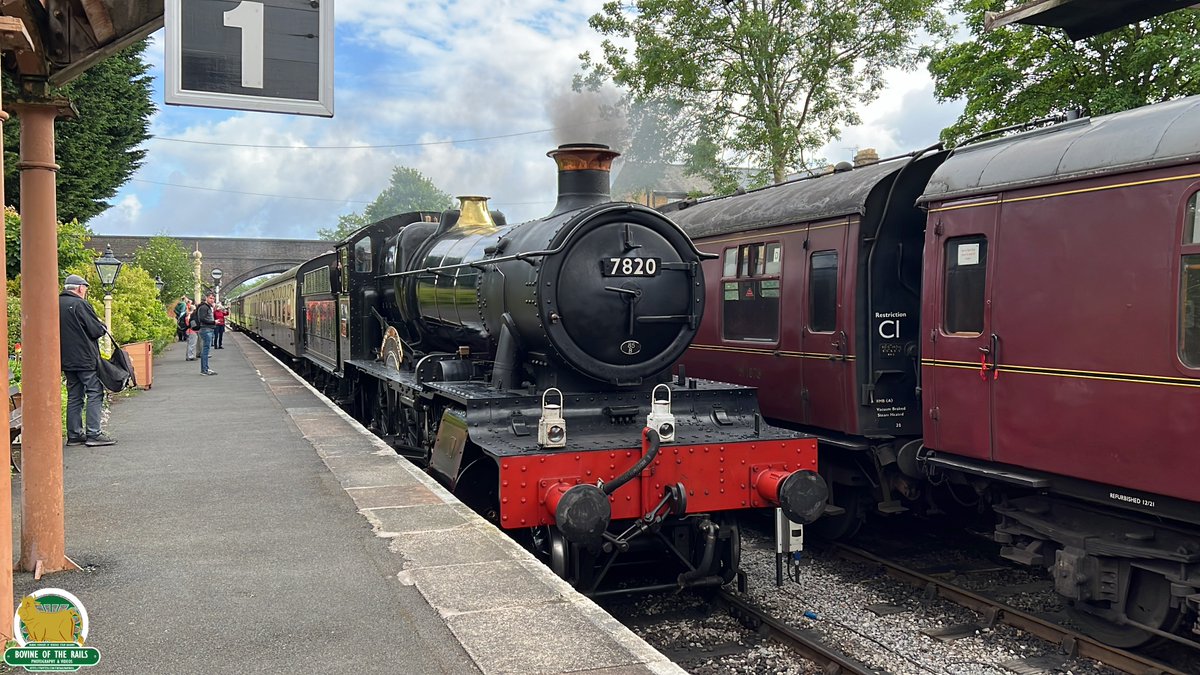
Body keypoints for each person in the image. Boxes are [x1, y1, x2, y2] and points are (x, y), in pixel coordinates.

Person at [58, 274, 116, 447]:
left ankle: (74, 435)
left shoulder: (56, 303)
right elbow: (96, 330)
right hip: (85, 358)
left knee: (74, 395)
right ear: (80, 288)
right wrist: (101, 325)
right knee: (94, 391)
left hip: (66, 359)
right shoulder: (80, 304)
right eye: (85, 289)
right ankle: (94, 433)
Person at [195, 292, 218, 375]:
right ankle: (204, 370)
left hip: (208, 330)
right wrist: (213, 322)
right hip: (206, 330)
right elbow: (202, 319)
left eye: (213, 299)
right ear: (206, 298)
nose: (212, 300)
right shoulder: (204, 307)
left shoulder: (207, 307)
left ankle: (206, 368)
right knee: (205, 351)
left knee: (206, 350)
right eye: (211, 298)